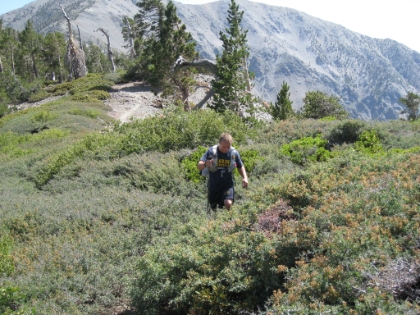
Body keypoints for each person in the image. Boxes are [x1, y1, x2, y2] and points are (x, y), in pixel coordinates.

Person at [197, 133, 248, 211]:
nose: (226, 149)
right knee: (214, 208)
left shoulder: (233, 153)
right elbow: (199, 166)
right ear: (219, 143)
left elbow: (240, 166)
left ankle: (229, 221)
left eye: (228, 147)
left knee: (228, 203)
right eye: (224, 147)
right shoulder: (211, 152)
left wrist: (245, 177)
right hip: (214, 185)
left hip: (227, 184)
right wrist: (205, 164)